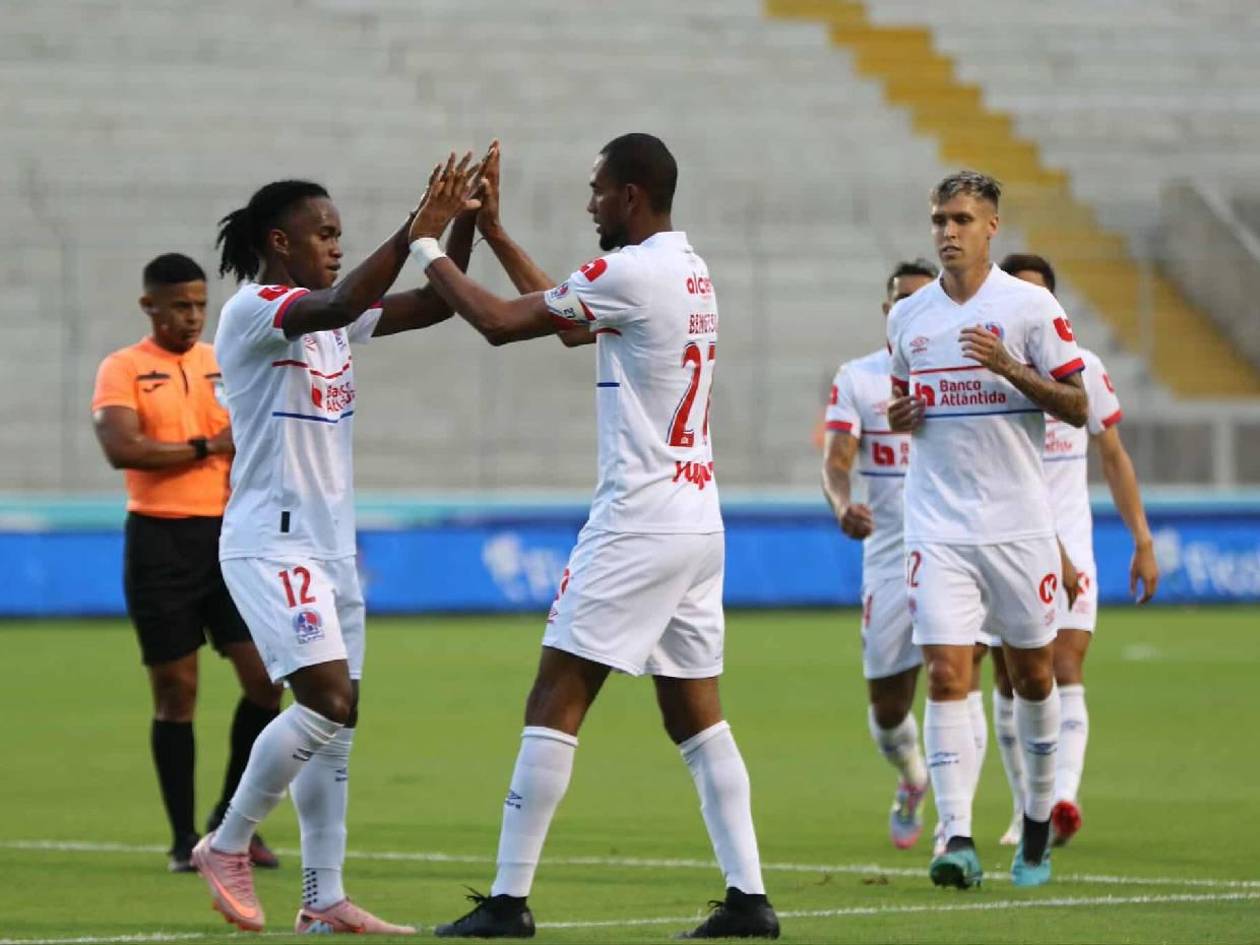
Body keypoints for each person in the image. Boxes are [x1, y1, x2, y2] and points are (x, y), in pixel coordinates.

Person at [408, 134, 780, 940]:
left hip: (638, 520)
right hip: (695, 518)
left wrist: (427, 244)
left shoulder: (631, 271)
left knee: (555, 698)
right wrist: (499, 235)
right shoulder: (689, 270)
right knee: (696, 717)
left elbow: (504, 324)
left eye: (598, 190)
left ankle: (507, 903)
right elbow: (576, 326)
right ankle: (748, 898)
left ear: (633, 195)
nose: (590, 204)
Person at [190, 153, 485, 935]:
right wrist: (412, 226)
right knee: (326, 699)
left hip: (330, 550)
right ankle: (225, 842)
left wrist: (465, 222)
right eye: (324, 233)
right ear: (278, 241)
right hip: (271, 544)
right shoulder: (256, 311)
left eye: (340, 234)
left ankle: (323, 897)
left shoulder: (331, 316)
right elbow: (344, 297)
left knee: (338, 725)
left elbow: (436, 304)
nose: (336, 244)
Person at [886, 170, 1089, 889]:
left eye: (962, 219)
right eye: (940, 218)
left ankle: (1035, 819)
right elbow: (903, 403)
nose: (947, 231)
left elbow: (1077, 404)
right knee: (946, 672)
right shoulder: (909, 318)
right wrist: (900, 416)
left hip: (1019, 528)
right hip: (937, 527)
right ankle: (958, 835)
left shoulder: (1030, 308)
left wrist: (1009, 368)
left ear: (992, 226)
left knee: (1032, 678)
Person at [91, 253, 283, 874]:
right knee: (178, 694)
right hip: (160, 544)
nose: (193, 316)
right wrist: (207, 445)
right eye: (180, 305)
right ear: (150, 306)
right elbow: (123, 447)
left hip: (228, 540)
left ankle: (229, 821)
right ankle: (181, 842)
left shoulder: (220, 362)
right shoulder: (123, 369)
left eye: (200, 304)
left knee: (266, 681)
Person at [985, 252, 1159, 848]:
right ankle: (1025, 807)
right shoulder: (989, 375)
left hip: (1074, 542)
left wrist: (1141, 540)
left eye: (1040, 296)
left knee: (1064, 668)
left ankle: (1062, 797)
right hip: (1008, 540)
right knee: (1013, 682)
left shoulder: (1084, 368)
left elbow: (1112, 455)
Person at [820, 259, 937, 850]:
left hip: (956, 548)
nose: (905, 307)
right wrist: (843, 506)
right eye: (897, 300)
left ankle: (962, 828)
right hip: (890, 560)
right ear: (887, 311)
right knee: (889, 712)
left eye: (920, 297)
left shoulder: (962, 378)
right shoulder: (860, 379)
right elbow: (838, 462)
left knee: (955, 681)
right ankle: (914, 778)